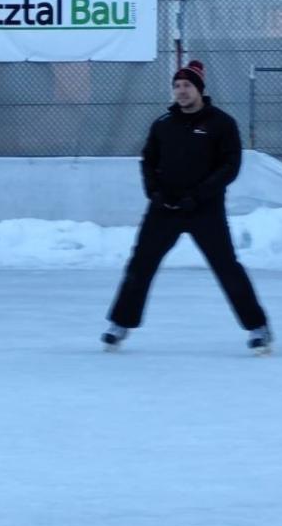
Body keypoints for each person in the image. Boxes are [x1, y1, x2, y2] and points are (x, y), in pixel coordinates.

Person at [102, 60, 273, 355]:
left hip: (204, 210)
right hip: (164, 209)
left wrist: (199, 195)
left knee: (226, 267)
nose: (181, 91)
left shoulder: (221, 124)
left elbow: (230, 167)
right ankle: (120, 324)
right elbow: (148, 161)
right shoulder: (163, 124)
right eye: (177, 86)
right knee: (140, 264)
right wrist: (154, 193)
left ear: (199, 89)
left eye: (187, 86)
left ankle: (258, 328)